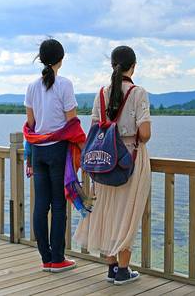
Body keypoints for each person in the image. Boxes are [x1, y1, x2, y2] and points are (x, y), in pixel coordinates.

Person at [74, 45, 152, 285]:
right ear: (133, 67)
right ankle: (123, 270)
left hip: (104, 161)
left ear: (112, 66)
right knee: (127, 214)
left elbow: (93, 129)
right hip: (130, 159)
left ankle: (111, 267)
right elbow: (145, 133)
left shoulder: (101, 93)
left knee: (106, 211)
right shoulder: (138, 93)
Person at [23, 39, 81, 273]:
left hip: (38, 150)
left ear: (41, 58)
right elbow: (72, 122)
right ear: (61, 59)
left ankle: (45, 258)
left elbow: (30, 123)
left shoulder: (31, 86)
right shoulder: (65, 84)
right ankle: (57, 258)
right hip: (58, 150)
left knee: (41, 205)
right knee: (58, 205)